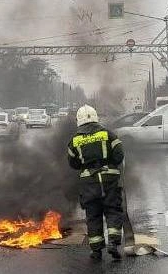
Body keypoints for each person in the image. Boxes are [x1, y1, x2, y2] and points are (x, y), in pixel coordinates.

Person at [66, 105, 125, 261]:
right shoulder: (108, 134)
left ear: (78, 120)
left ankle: (96, 251)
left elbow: (73, 163)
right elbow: (119, 154)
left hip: (89, 182)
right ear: (95, 117)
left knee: (93, 215)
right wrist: (110, 163)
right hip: (109, 178)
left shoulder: (75, 140)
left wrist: (86, 165)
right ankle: (113, 241)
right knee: (112, 209)